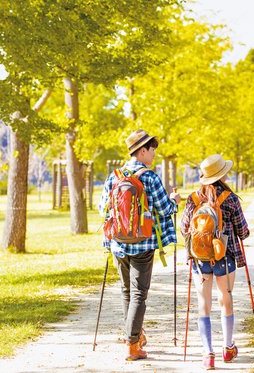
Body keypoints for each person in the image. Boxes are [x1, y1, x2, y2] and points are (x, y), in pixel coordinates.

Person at [98, 129, 181, 361]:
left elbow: (103, 209)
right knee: (139, 295)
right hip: (143, 243)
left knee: (127, 292)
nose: (154, 154)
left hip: (118, 244)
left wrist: (109, 240)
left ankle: (134, 335)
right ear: (142, 150)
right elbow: (165, 210)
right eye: (152, 150)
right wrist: (175, 201)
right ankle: (133, 344)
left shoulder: (114, 176)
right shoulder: (150, 177)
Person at [180, 154, 250, 370]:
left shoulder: (193, 199)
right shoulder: (230, 198)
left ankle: (207, 353)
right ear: (222, 174)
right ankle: (228, 348)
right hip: (225, 256)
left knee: (204, 302)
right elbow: (243, 231)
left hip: (200, 260)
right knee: (225, 297)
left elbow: (184, 229)